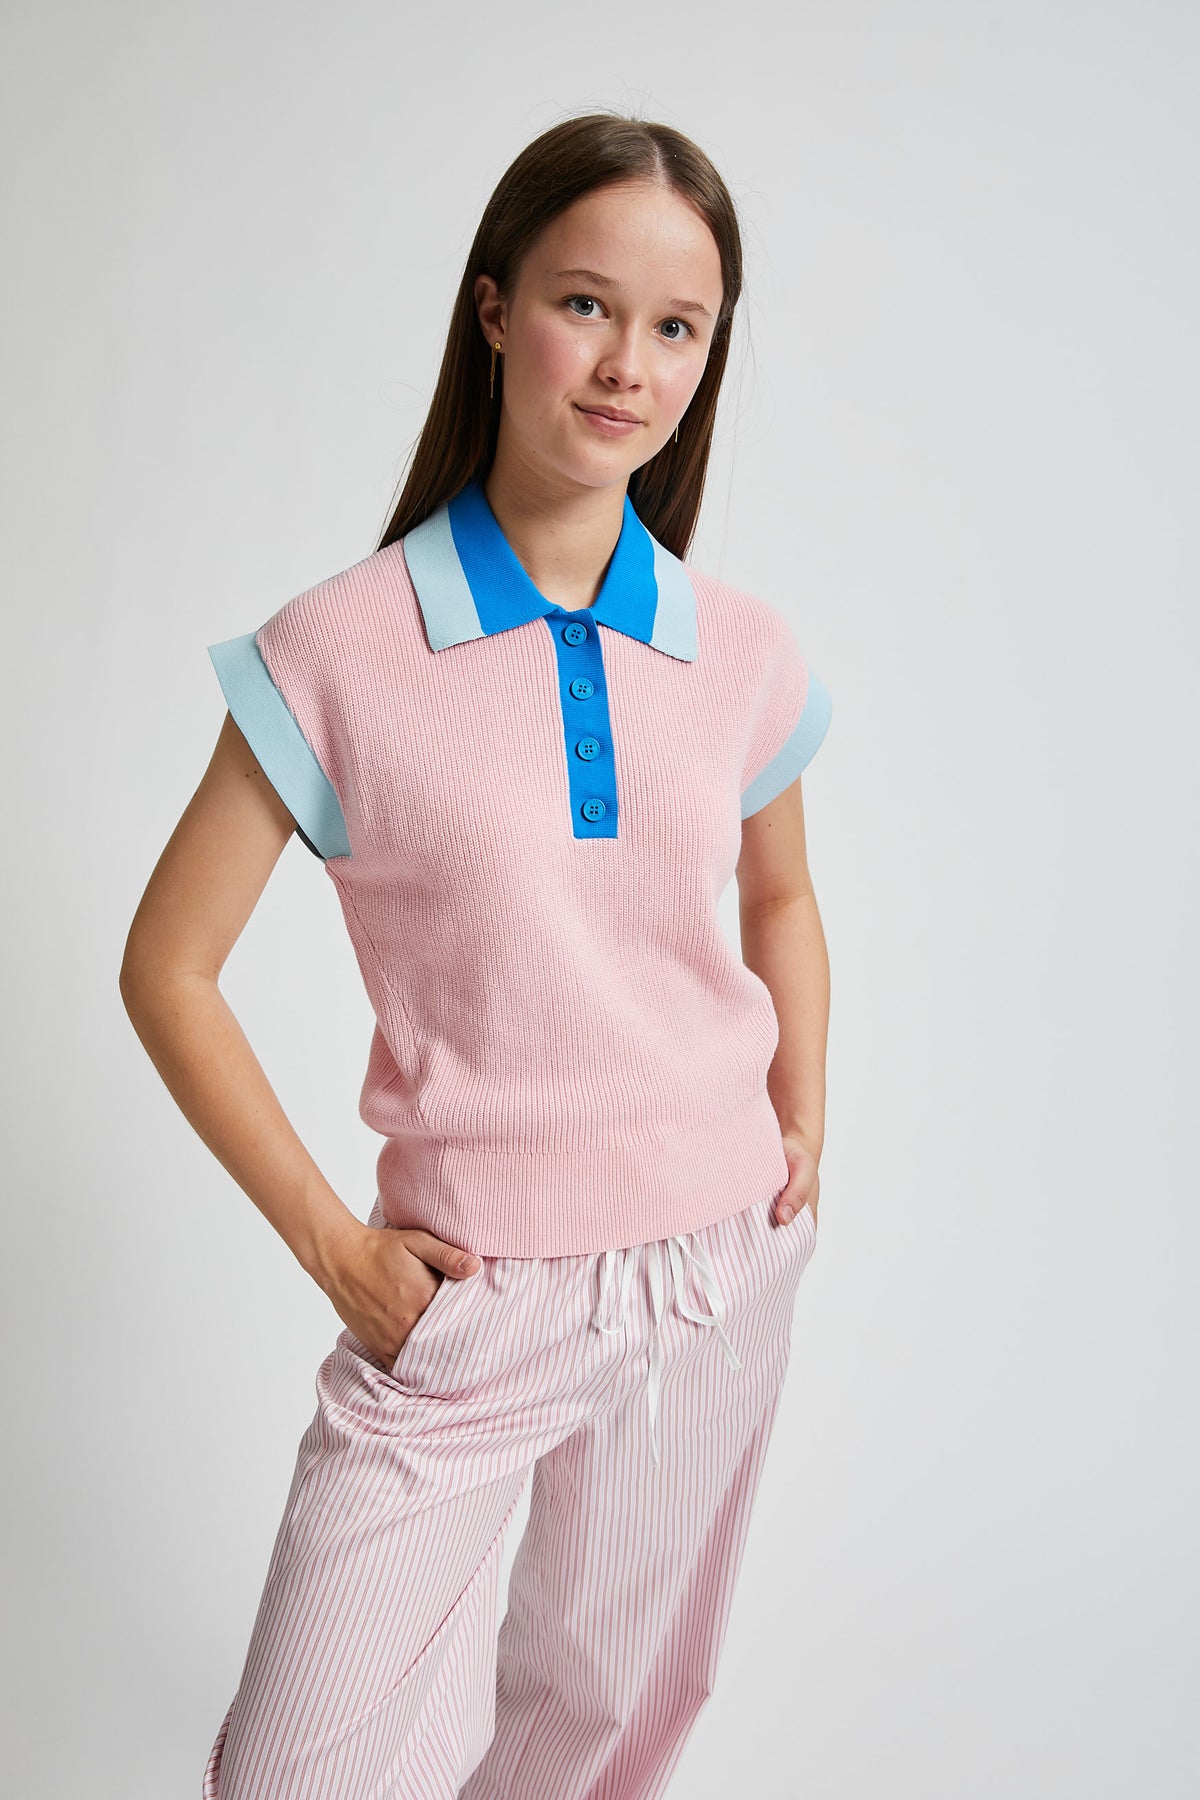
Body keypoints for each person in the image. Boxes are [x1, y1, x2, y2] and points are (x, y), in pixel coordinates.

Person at [120, 109, 833, 1800]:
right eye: (589, 305)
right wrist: (336, 1253)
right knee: (301, 1770)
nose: (631, 366)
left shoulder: (738, 650)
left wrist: (804, 1122)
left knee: (603, 1730)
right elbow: (168, 967)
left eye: (678, 328)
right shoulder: (337, 649)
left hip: (717, 1264)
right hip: (469, 1296)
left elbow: (783, 898)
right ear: (497, 309)